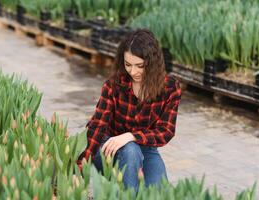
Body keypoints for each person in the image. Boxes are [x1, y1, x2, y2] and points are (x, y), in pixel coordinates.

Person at [77, 29, 182, 193]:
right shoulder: (114, 85)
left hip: (145, 147)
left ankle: (128, 184)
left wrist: (130, 136)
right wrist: (80, 167)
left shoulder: (169, 88)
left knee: (159, 192)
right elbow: (97, 126)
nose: (133, 71)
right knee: (130, 151)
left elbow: (165, 131)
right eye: (128, 65)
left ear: (152, 63)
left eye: (140, 65)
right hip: (107, 146)